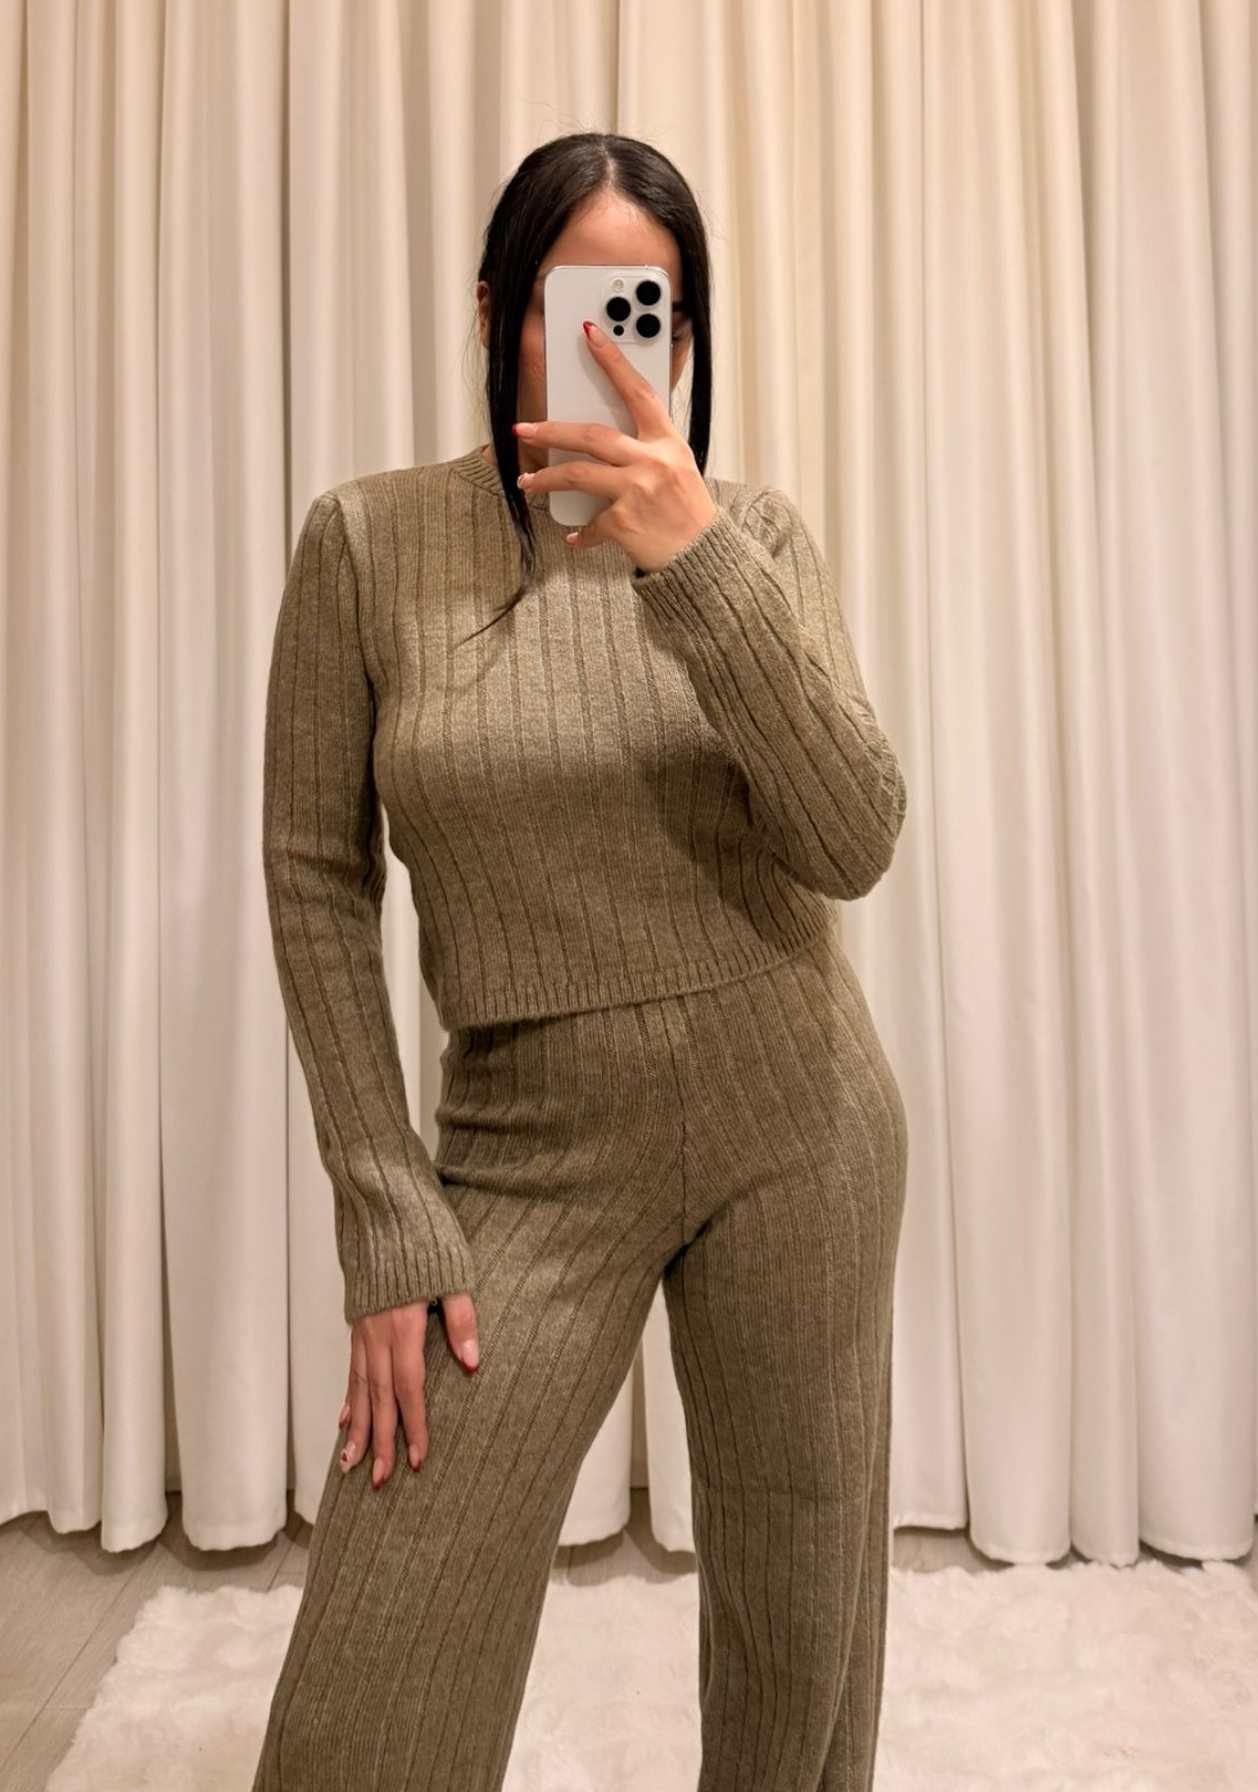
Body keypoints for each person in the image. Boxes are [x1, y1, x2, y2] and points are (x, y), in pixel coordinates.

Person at [252, 129, 909, 1792]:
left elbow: (854, 837)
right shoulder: (366, 545)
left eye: (649, 315)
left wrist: (698, 568)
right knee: (377, 1682)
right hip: (526, 1152)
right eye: (573, 306)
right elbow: (316, 878)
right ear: (496, 314)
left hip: (799, 1119)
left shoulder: (753, 539)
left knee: (797, 1643)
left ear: (686, 335)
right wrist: (387, 1207)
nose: (612, 354)